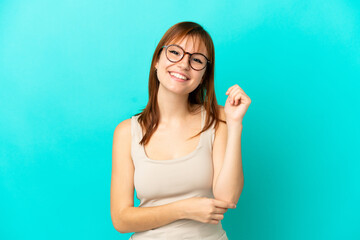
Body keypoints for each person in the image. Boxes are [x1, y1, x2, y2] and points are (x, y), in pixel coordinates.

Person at [110, 21, 251, 239]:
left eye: (196, 60)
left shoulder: (218, 119)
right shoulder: (127, 132)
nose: (184, 64)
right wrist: (184, 209)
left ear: (204, 75)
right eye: (175, 52)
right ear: (157, 60)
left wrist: (235, 124)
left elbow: (227, 197)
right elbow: (121, 219)